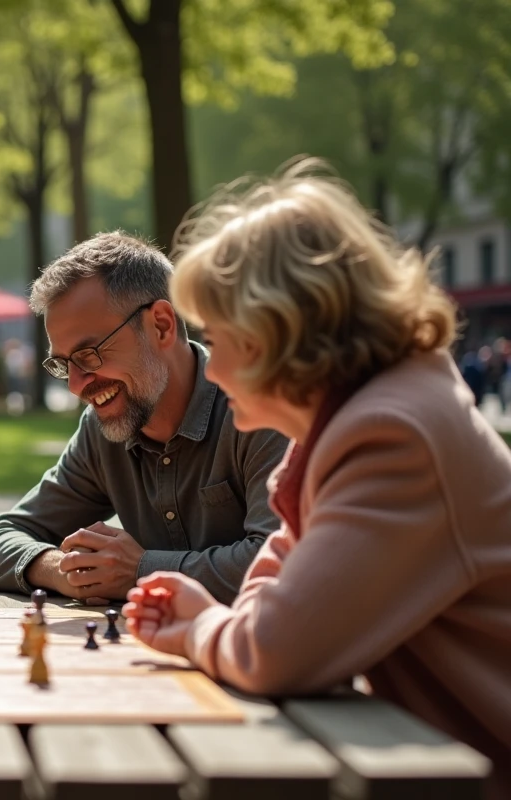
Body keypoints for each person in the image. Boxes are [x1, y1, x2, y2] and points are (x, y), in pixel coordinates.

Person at [122, 161, 511, 795]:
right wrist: (215, 620)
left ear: (276, 331)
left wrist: (197, 631)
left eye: (218, 339)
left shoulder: (393, 436)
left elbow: (275, 651)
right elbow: (267, 604)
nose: (211, 370)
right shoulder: (359, 419)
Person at [0, 233, 288, 604]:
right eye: (63, 364)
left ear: (160, 325)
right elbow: (1, 537)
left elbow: (282, 564)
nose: (77, 386)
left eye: (89, 354)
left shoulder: (261, 409)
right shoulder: (102, 429)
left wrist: (139, 572)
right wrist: (69, 570)